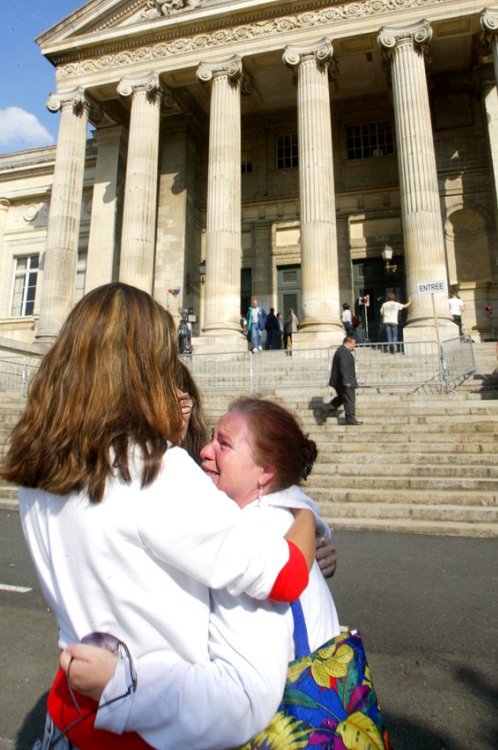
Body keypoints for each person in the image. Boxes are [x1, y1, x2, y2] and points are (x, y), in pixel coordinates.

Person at [2, 283, 316, 750]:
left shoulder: (38, 470)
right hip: (143, 727)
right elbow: (283, 575)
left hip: (68, 720)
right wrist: (304, 513)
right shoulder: (150, 468)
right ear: (144, 367)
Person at [58, 398, 342, 749]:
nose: (204, 451)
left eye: (223, 443)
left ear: (265, 472)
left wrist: (120, 685)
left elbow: (241, 701)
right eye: (211, 437)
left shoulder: (250, 544)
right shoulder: (287, 518)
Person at [323, 335, 362, 426]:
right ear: (348, 343)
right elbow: (344, 366)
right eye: (353, 344)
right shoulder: (344, 352)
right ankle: (350, 418)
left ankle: (327, 408)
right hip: (344, 381)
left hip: (339, 381)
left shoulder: (341, 350)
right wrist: (346, 381)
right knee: (349, 399)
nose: (354, 346)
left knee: (342, 398)